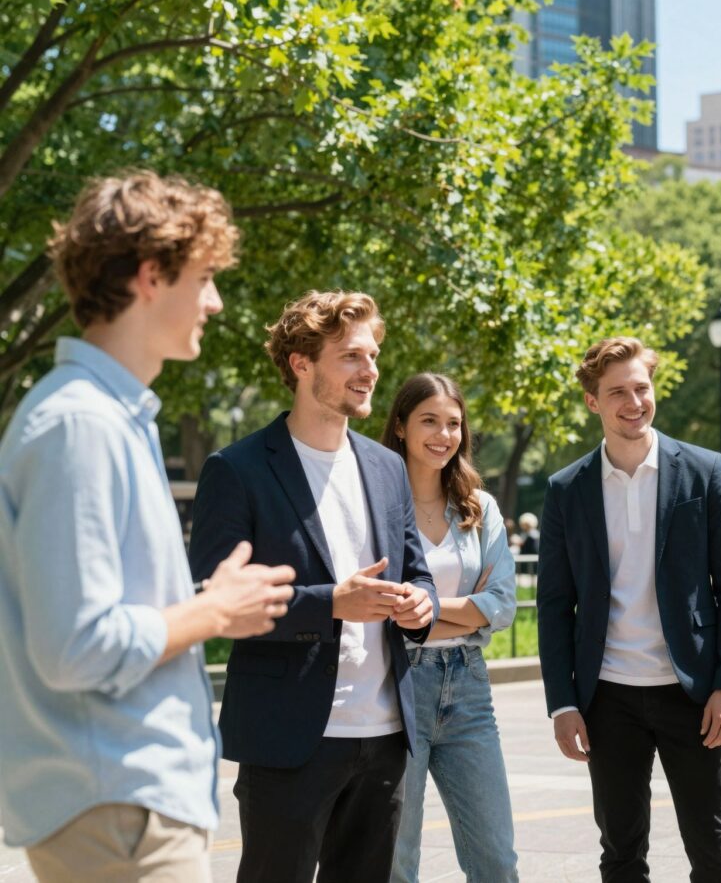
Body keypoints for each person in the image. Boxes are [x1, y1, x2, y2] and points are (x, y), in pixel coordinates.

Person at [0, 171, 296, 882]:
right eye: (204, 278)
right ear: (151, 276)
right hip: (120, 811)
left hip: (124, 807)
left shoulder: (98, 418)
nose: (216, 302)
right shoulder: (81, 425)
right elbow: (76, 647)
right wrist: (213, 610)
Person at [188, 290, 438, 883]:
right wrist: (331, 604)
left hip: (384, 737)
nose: (371, 369)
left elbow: (414, 567)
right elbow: (213, 603)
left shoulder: (386, 466)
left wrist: (419, 603)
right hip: (288, 738)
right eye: (351, 355)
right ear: (302, 364)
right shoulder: (238, 470)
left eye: (373, 355)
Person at [537, 336, 721, 883]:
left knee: (713, 849)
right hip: (607, 696)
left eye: (642, 387)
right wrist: (562, 704)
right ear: (593, 402)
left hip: (693, 693)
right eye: (617, 392)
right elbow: (555, 604)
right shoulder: (567, 489)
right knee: (621, 853)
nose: (634, 402)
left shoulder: (704, 471)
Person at [380, 372, 519, 883]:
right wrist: (465, 608)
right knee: (397, 859)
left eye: (454, 423)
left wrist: (422, 607)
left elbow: (503, 604)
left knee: (496, 860)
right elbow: (381, 610)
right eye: (429, 421)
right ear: (399, 426)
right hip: (397, 687)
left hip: (468, 686)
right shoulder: (378, 507)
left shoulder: (478, 509)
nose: (444, 434)